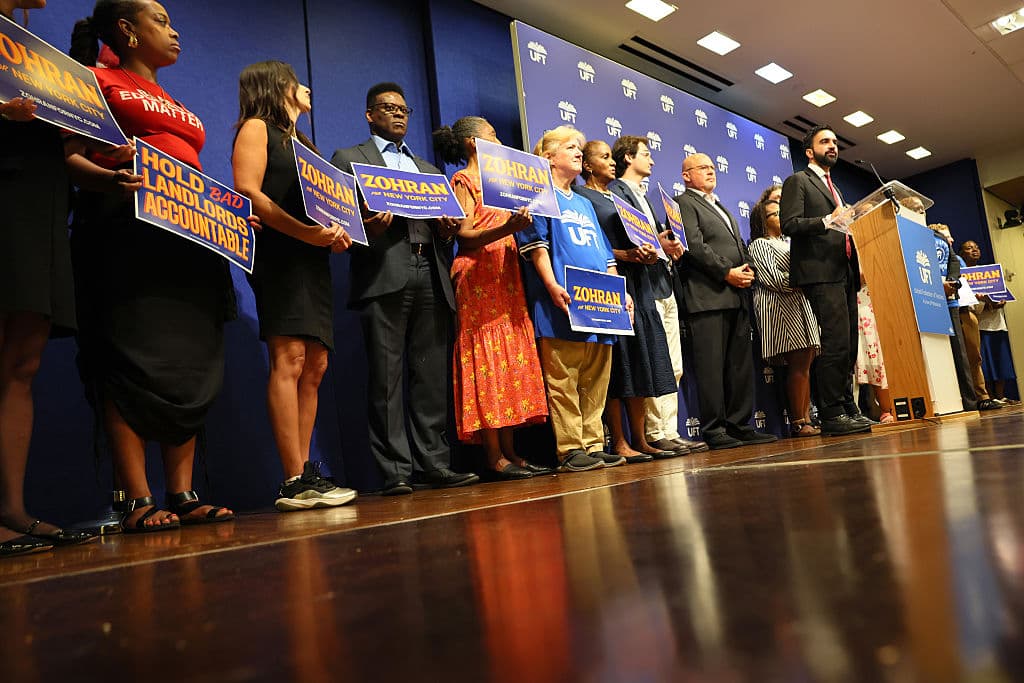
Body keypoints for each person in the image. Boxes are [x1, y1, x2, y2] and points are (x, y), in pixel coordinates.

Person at [67, 0, 235, 531]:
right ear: (127, 31)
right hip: (123, 231)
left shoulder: (170, 97)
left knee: (187, 361)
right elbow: (70, 154)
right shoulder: (95, 78)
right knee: (127, 359)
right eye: (160, 20)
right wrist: (108, 178)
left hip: (187, 239)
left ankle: (182, 492)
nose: (174, 30)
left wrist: (229, 217)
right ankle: (135, 499)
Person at [330, 83, 478, 495]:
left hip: (429, 269)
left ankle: (435, 463)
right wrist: (367, 225)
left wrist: (447, 230)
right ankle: (396, 469)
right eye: (387, 108)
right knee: (387, 378)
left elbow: (445, 228)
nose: (398, 114)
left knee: (429, 376)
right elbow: (338, 218)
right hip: (383, 271)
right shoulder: (349, 159)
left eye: (403, 109)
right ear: (369, 114)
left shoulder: (430, 171)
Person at [232, 61, 359, 510]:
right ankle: (291, 479)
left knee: (316, 364)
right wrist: (305, 233)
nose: (307, 87)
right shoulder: (256, 128)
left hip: (311, 258)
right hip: (280, 257)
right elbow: (249, 192)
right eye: (297, 81)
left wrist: (340, 231)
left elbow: (323, 206)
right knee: (290, 357)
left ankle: (306, 473)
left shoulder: (302, 142)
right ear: (278, 86)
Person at [0, 0, 99, 557]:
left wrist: (100, 159)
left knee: (24, 361)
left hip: (42, 207)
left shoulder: (41, 55)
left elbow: (66, 149)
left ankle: (12, 509)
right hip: (4, 195)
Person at [431, 116, 550, 480]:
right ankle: (493, 456)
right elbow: (465, 235)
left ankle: (512, 451)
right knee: (488, 359)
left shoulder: (505, 184)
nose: (500, 141)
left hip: (507, 275)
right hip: (478, 276)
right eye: (493, 136)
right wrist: (508, 227)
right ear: (472, 144)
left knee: (509, 360)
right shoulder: (463, 180)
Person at [516, 126, 631, 471]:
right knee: (563, 378)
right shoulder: (539, 194)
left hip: (601, 301)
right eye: (571, 148)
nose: (579, 153)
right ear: (549, 157)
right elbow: (538, 247)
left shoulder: (583, 201)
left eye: (580, 148)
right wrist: (551, 285)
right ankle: (569, 449)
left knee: (596, 378)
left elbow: (606, 255)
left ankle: (594, 443)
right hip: (562, 301)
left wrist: (620, 294)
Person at [575, 137, 676, 463]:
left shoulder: (618, 194)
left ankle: (641, 438)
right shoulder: (581, 197)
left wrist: (651, 250)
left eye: (611, 157)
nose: (612, 162)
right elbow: (597, 247)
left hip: (640, 282)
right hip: (611, 281)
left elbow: (638, 237)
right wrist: (627, 255)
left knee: (641, 359)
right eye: (604, 157)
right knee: (620, 365)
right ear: (587, 165)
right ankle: (618, 441)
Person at [675, 153, 777, 449]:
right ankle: (714, 429)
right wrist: (726, 272)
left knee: (739, 366)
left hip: (736, 296)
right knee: (711, 366)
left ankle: (739, 424)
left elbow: (737, 244)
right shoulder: (685, 203)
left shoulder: (719, 205)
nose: (710, 171)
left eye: (712, 167)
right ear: (686, 175)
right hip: (707, 297)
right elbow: (694, 245)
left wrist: (747, 269)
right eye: (702, 168)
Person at [780, 125, 871, 436]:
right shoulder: (798, 181)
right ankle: (831, 413)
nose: (832, 146)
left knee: (848, 344)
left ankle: (848, 406)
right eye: (825, 142)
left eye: (834, 142)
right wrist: (826, 220)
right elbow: (789, 224)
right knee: (833, 342)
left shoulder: (836, 187)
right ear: (809, 151)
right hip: (820, 272)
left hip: (843, 270)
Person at [748, 185, 821, 436]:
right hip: (782, 310)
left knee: (806, 363)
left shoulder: (788, 242)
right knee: (798, 363)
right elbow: (773, 279)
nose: (781, 217)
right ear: (762, 220)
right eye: (774, 214)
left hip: (801, 306)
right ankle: (800, 421)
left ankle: (807, 417)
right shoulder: (759, 244)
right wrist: (805, 279)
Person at [960, 240, 1020, 405]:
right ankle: (989, 396)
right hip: (979, 324)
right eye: (969, 248)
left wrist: (1001, 300)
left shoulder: (990, 273)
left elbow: (1001, 294)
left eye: (977, 247)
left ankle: (1001, 396)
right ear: (962, 253)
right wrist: (985, 303)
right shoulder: (962, 275)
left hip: (997, 323)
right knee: (984, 361)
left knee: (1001, 360)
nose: (974, 250)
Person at [954, 239, 1001, 410]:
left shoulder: (982, 274)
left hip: (969, 312)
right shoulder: (949, 264)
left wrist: (990, 300)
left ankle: (982, 396)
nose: (950, 240)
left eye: (976, 247)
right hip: (950, 310)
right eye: (969, 248)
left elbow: (987, 305)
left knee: (975, 357)